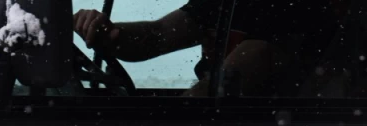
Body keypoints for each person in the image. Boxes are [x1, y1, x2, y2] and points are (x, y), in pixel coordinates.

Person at [73, 0, 346, 95]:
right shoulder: (223, 3)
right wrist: (109, 33)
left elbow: (236, 76)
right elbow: (157, 36)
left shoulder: (299, 8)